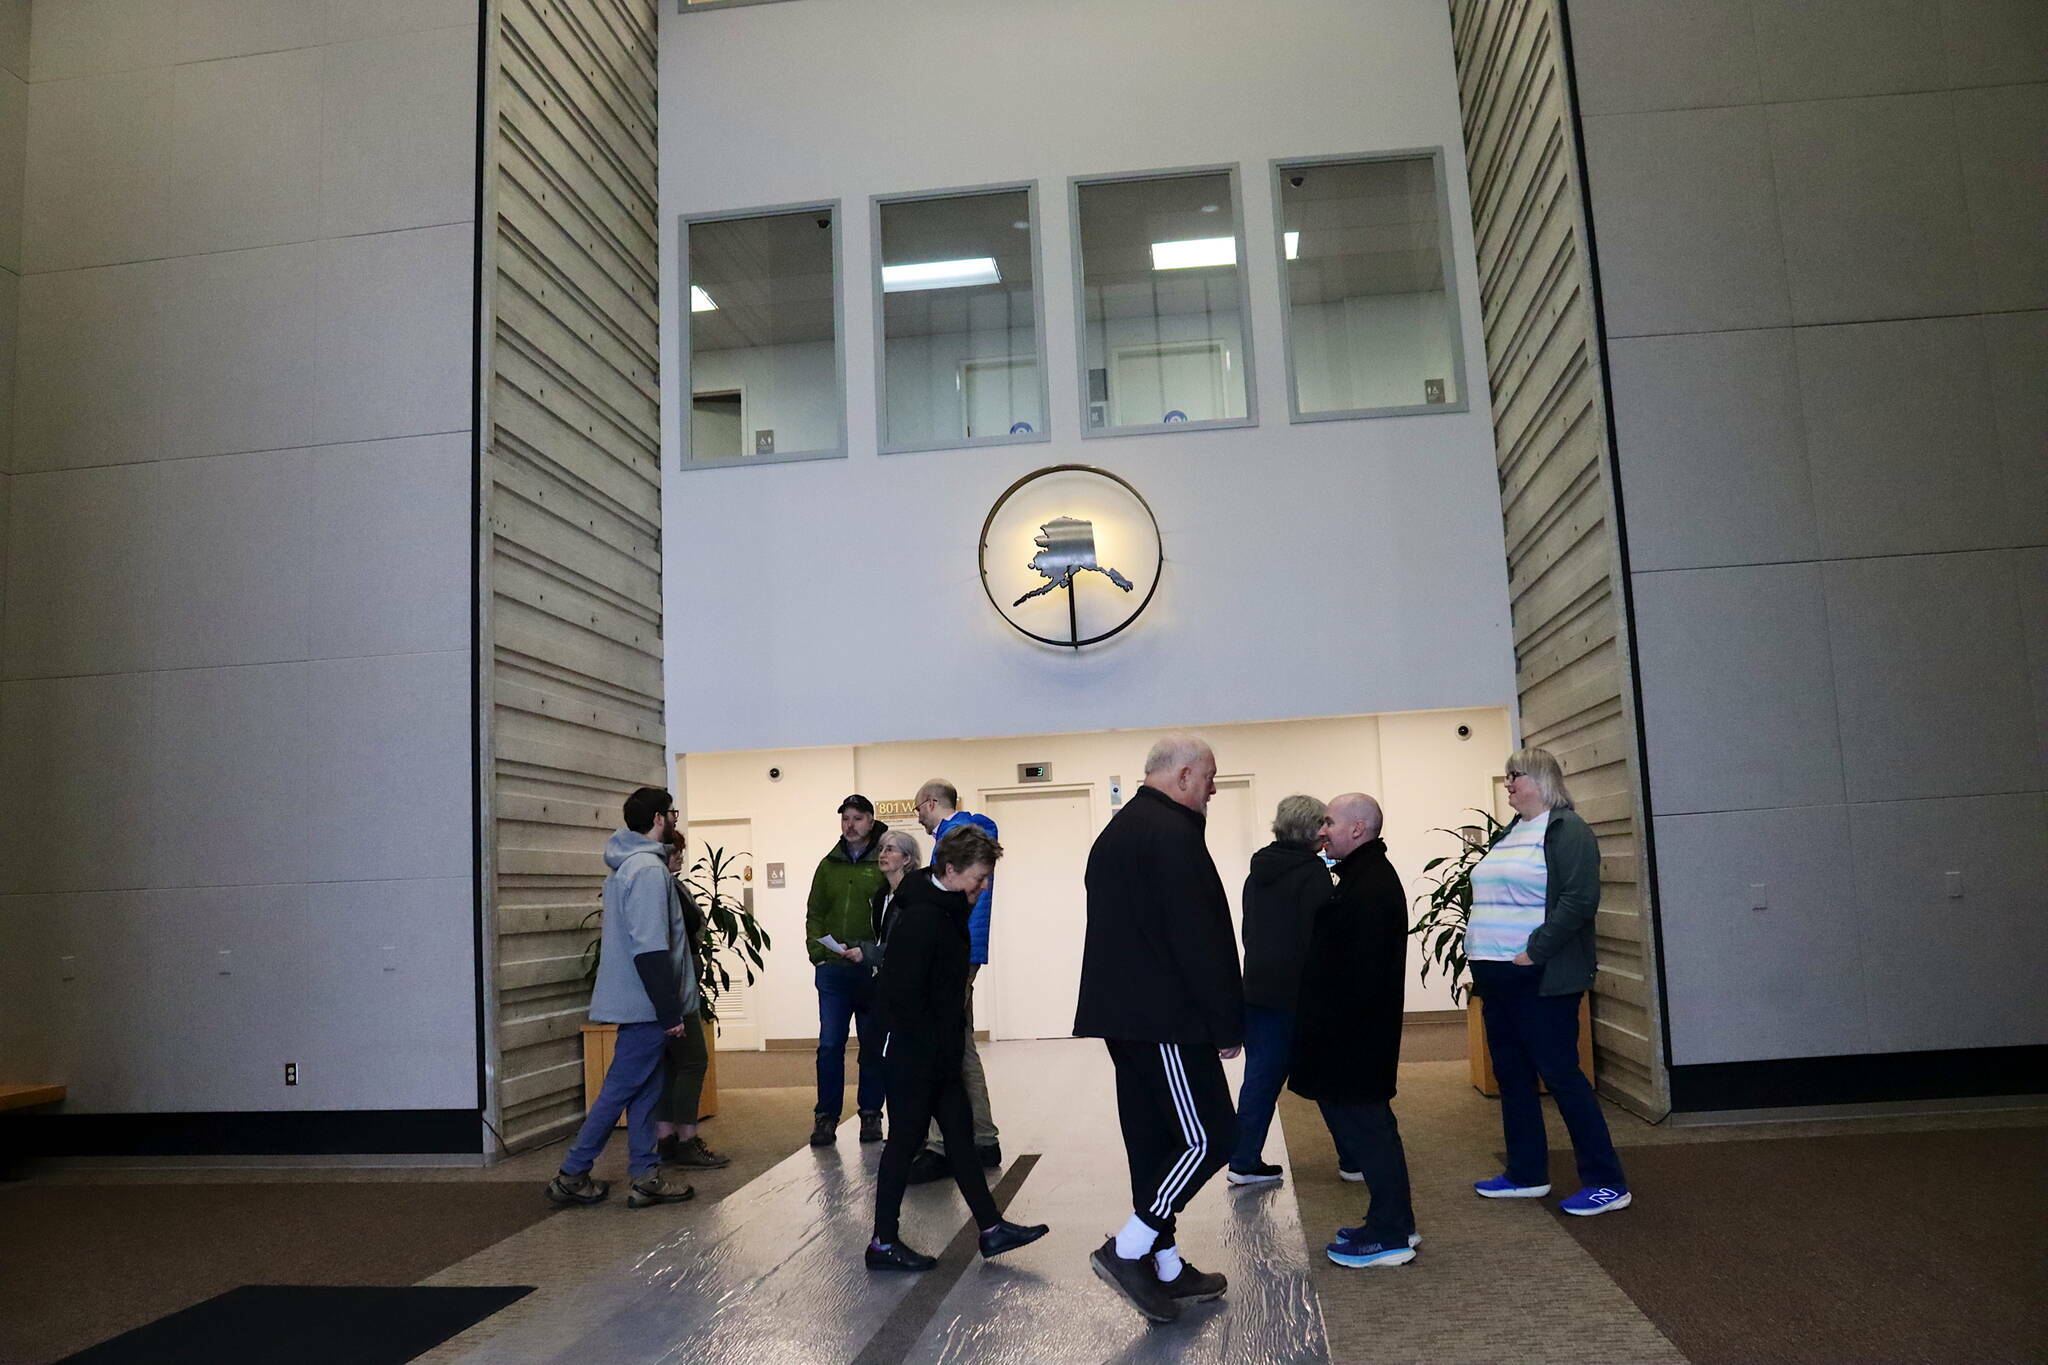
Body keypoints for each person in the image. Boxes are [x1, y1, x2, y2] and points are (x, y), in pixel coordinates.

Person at [1075, 733, 1242, 1325]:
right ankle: (1127, 1250)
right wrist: (1225, 1019)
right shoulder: (1171, 835)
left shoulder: (1120, 831)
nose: (1214, 789)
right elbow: (1197, 939)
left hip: (1130, 1016)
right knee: (1212, 1139)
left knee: (1155, 1143)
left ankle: (1165, 1266)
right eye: (1212, 777)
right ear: (1186, 775)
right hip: (1167, 1017)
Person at [867, 824, 1048, 1271]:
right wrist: (928, 1055)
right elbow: (905, 996)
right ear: (950, 869)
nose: (982, 887)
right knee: (904, 1141)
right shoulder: (925, 917)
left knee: (961, 1140)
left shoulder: (945, 907)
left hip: (937, 1050)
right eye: (978, 877)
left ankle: (990, 1229)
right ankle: (881, 1245)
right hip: (913, 1053)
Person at [1467, 747, 1630, 1215]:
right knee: (1513, 1076)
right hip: (1496, 976)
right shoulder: (1514, 831)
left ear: (1540, 778)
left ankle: (1607, 1182)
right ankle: (1526, 1173)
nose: (1508, 785)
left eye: (1514, 777)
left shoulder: (1567, 830)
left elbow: (1579, 901)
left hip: (1537, 976)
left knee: (1561, 1076)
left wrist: (1533, 952)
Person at [544, 786, 697, 1209]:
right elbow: (650, 947)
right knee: (620, 1089)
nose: (674, 819)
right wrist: (669, 1010)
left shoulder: (625, 866)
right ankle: (573, 1173)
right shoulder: (648, 872)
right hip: (646, 1003)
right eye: (671, 813)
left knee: (647, 1088)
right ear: (657, 820)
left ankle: (645, 1174)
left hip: (637, 1000)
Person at [1290, 793, 1418, 1267]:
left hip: (1353, 1038)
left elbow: (1354, 975)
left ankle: (1388, 1235)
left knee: (1368, 1131)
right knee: (1374, 1129)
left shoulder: (1368, 886)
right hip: (1356, 1035)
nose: (1322, 830)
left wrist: (1327, 1033)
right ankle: (1397, 1222)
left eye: (1329, 822)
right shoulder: (1363, 878)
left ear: (1358, 829)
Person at [1226, 794, 1332, 1188]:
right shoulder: (1314, 873)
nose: (1326, 831)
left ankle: (1243, 1159)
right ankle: (1354, 1158)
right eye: (1322, 824)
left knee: (1259, 1079)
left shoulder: (1259, 869)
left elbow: (1249, 928)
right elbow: (1318, 938)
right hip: (1302, 992)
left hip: (1258, 988)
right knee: (1330, 1075)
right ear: (1309, 829)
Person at [905, 779, 1001, 1181]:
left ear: (930, 803)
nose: (919, 819)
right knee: (961, 1046)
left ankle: (944, 1144)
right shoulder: (956, 836)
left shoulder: (963, 835)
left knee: (938, 1044)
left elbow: (985, 831)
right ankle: (981, 1138)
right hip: (960, 951)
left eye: (918, 810)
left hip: (955, 954)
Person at [806, 794, 890, 1146]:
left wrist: (876, 956)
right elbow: (814, 911)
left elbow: (892, 915)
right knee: (829, 1045)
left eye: (857, 818)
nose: (849, 825)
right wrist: (817, 954)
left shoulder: (884, 862)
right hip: (834, 972)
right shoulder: (829, 865)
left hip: (870, 971)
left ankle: (870, 1114)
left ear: (870, 821)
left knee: (872, 1045)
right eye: (845, 819)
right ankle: (826, 1116)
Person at [656, 841, 728, 1170]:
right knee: (693, 1062)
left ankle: (666, 1139)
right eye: (675, 851)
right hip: (675, 990)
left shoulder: (670, 884)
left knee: (672, 1067)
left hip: (672, 987)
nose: (680, 856)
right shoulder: (666, 888)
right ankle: (686, 1140)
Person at [838, 827, 922, 974]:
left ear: (906, 859)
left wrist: (865, 952)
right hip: (883, 975)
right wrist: (850, 944)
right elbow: (880, 939)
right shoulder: (881, 895)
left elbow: (907, 944)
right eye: (881, 849)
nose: (882, 855)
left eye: (890, 850)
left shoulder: (915, 895)